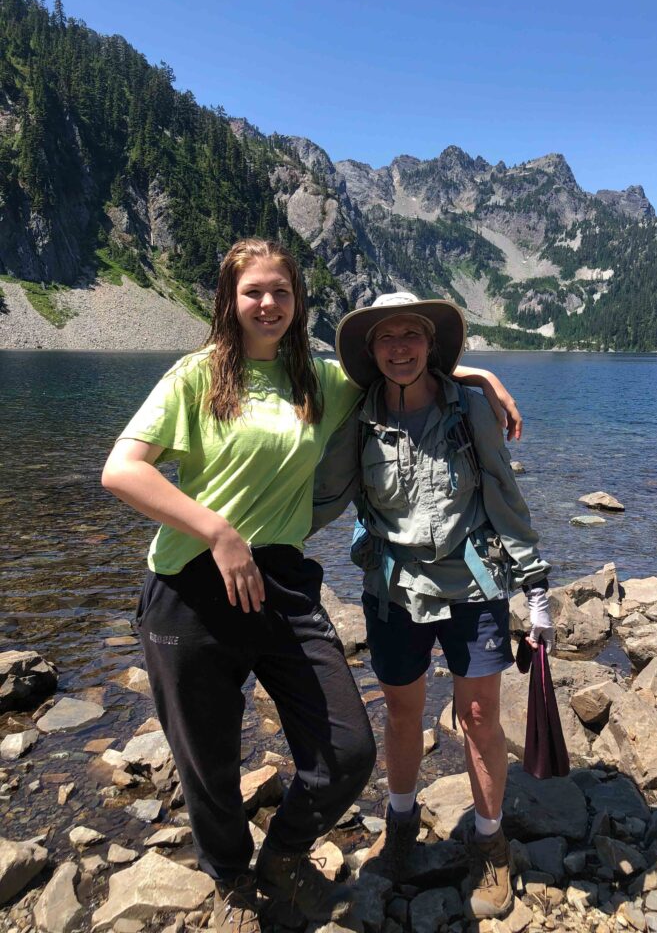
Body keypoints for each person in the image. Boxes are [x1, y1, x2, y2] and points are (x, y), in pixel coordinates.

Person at [102, 240, 523, 932]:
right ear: (229, 302)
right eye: (253, 292)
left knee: (347, 748)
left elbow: (405, 370)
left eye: (281, 292)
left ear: (298, 304)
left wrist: (473, 376)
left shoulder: (319, 380)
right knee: (205, 758)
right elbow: (122, 470)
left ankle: (284, 854)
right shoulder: (195, 376)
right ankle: (232, 883)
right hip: (188, 586)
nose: (267, 304)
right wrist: (217, 531)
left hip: (282, 584)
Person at [312, 292, 554, 921]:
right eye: (386, 338)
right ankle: (399, 826)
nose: (399, 348)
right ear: (371, 350)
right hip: (393, 591)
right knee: (400, 712)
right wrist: (249, 540)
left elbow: (503, 494)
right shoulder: (356, 418)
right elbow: (325, 497)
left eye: (411, 336)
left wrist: (535, 586)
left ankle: (489, 840)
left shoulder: (469, 409)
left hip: (473, 587)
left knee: (478, 715)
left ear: (430, 345)